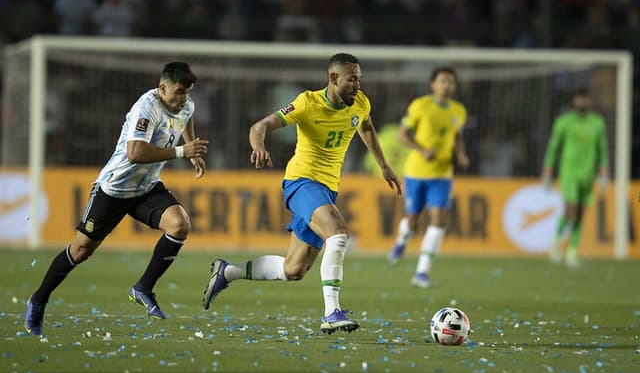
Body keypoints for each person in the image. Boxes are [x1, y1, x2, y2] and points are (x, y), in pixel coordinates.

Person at [202, 53, 402, 334]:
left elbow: (365, 125)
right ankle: (331, 312)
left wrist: (384, 165)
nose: (358, 84)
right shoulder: (307, 103)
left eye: (359, 78)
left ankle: (227, 272)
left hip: (327, 189)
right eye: (352, 78)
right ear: (333, 78)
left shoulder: (360, 102)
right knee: (339, 234)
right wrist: (258, 145)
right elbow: (259, 126)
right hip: (302, 182)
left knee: (292, 270)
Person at [25, 62, 209, 336]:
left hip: (146, 187)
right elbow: (135, 153)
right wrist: (183, 152)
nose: (184, 98)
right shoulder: (145, 109)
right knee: (80, 251)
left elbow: (187, 118)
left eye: (188, 92)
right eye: (179, 92)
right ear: (162, 88)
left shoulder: (186, 105)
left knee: (180, 224)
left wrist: (192, 150)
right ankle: (38, 299)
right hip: (114, 189)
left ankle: (143, 287)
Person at [387, 67, 469, 288]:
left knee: (439, 220)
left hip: (442, 174)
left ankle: (421, 272)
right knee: (413, 221)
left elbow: (458, 135)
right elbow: (402, 135)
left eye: (450, 81)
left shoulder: (459, 111)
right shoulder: (420, 106)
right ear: (433, 85)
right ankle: (401, 242)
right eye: (442, 81)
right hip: (416, 173)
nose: (447, 85)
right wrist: (422, 151)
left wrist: (460, 154)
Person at [542, 89, 609, 267]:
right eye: (579, 98)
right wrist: (548, 171)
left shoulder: (597, 122)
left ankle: (572, 252)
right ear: (574, 100)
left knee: (580, 214)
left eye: (585, 99)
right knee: (571, 212)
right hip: (569, 173)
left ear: (589, 101)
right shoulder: (564, 122)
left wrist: (603, 171)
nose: (582, 102)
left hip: (588, 174)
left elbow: (602, 148)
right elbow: (553, 148)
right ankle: (556, 243)